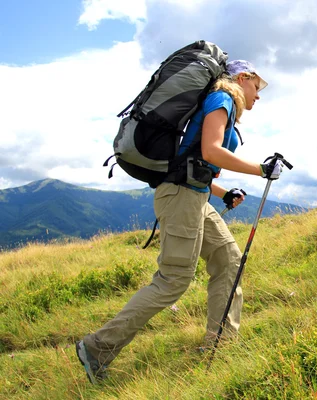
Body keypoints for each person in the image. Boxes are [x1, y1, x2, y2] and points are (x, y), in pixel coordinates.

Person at [76, 60, 285, 384]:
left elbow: (194, 162)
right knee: (173, 281)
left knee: (228, 259)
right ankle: (97, 347)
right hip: (181, 199)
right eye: (258, 86)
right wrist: (260, 169)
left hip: (193, 196)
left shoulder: (218, 102)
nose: (258, 95)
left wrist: (223, 192)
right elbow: (212, 151)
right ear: (243, 78)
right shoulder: (222, 97)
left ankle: (221, 345)